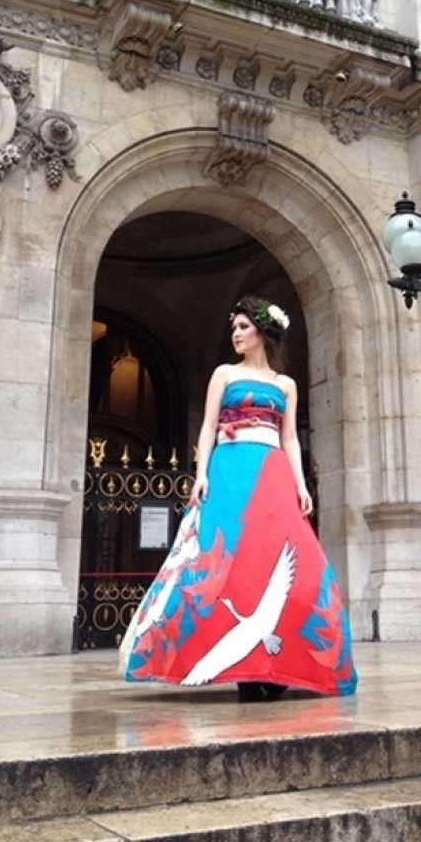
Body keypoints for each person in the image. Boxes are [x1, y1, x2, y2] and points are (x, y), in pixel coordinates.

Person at [120, 295, 358, 701]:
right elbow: (209, 426)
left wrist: (301, 485)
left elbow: (289, 439)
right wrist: (200, 475)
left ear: (263, 332)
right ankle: (244, 669)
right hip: (229, 469)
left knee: (285, 558)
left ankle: (281, 665)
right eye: (234, 328)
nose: (236, 334)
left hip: (273, 470)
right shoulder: (224, 374)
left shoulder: (286, 384)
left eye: (244, 327)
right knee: (228, 559)